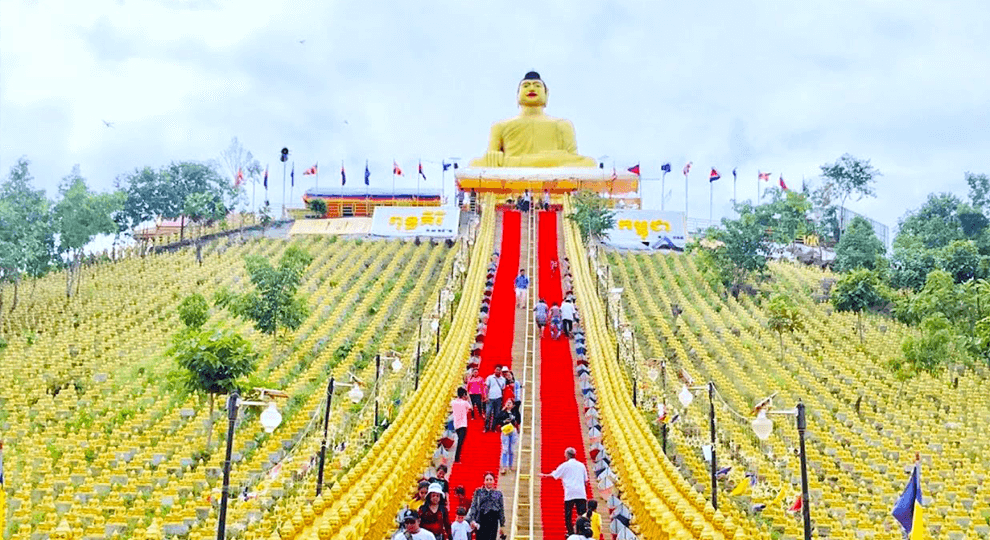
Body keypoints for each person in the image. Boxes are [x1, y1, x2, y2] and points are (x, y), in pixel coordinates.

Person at [540, 447, 590, 536]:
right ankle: (582, 530)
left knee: (568, 514)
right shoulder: (581, 465)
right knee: (582, 513)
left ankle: (570, 532)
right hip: (580, 492)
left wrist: (544, 475)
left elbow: (554, 474)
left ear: (567, 455)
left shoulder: (565, 465)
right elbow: (586, 480)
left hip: (570, 493)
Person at [466, 472, 505, 540]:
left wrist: (502, 524)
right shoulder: (478, 492)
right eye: (487, 480)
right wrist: (472, 519)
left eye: (490, 479)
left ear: (493, 481)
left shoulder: (498, 494)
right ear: (484, 481)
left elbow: (501, 509)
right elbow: (474, 506)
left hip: (493, 520)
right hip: (481, 519)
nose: (489, 481)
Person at [495, 398, 521, 475]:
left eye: (510, 403)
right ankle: (504, 466)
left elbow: (519, 420)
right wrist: (504, 421)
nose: (509, 404)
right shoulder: (503, 412)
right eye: (507, 403)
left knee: (512, 449)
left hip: (512, 430)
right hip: (505, 430)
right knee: (505, 449)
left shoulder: (515, 411)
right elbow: (497, 419)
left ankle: (511, 465)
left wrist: (515, 423)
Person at [451, 389, 471, 463]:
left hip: (456, 424)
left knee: (459, 439)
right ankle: (457, 457)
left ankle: (457, 457)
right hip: (463, 424)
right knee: (460, 441)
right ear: (463, 395)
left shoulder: (453, 402)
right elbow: (470, 408)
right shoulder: (465, 403)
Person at [484, 366, 506, 432]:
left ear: (501, 371)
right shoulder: (490, 378)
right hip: (490, 398)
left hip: (498, 398)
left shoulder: (503, 379)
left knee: (496, 414)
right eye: (496, 370)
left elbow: (503, 389)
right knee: (488, 413)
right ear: (494, 370)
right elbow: (486, 387)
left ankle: (493, 428)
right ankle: (486, 427)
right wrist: (486, 396)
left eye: (499, 370)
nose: (498, 371)